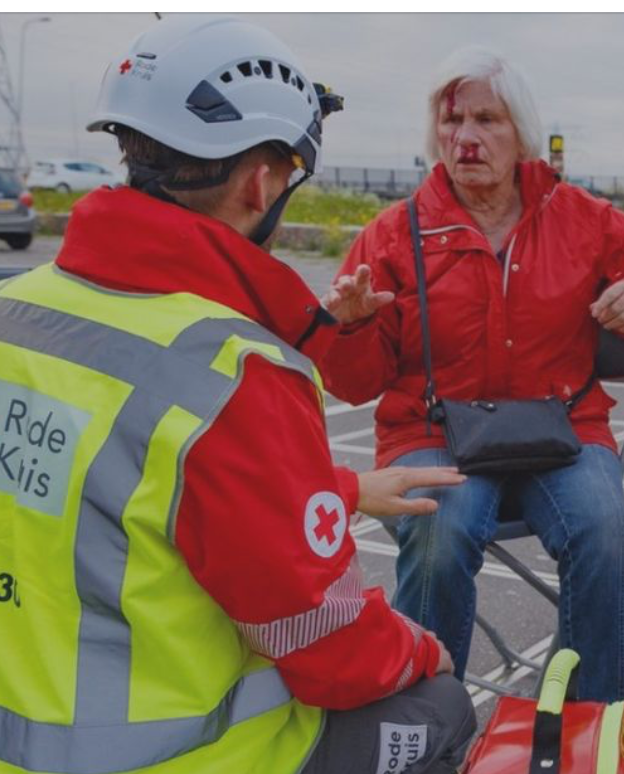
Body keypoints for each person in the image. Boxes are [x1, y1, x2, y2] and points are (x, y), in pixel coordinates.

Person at [0, 16, 475, 774]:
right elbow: (325, 646)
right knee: (440, 707)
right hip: (175, 755)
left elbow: (110, 487)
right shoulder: (229, 372)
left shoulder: (18, 308)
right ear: (262, 181)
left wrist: (339, 487)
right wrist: (422, 647)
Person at [322, 46, 624, 702]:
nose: (465, 138)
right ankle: (425, 719)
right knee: (440, 537)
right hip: (432, 430)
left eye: (486, 121)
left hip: (562, 426)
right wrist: (349, 327)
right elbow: (354, 385)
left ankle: (593, 716)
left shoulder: (580, 217)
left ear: (522, 132)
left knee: (604, 533)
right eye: (452, 122)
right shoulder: (391, 235)